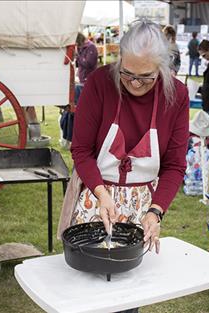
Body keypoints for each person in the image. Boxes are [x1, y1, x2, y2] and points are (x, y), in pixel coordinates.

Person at [64, 19, 189, 269]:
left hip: (142, 205)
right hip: (96, 195)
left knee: (130, 285)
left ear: (162, 68)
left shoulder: (176, 95)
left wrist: (155, 212)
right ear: (120, 58)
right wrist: (101, 194)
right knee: (88, 278)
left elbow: (174, 166)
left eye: (146, 77)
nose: (134, 83)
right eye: (127, 73)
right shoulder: (100, 83)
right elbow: (81, 150)